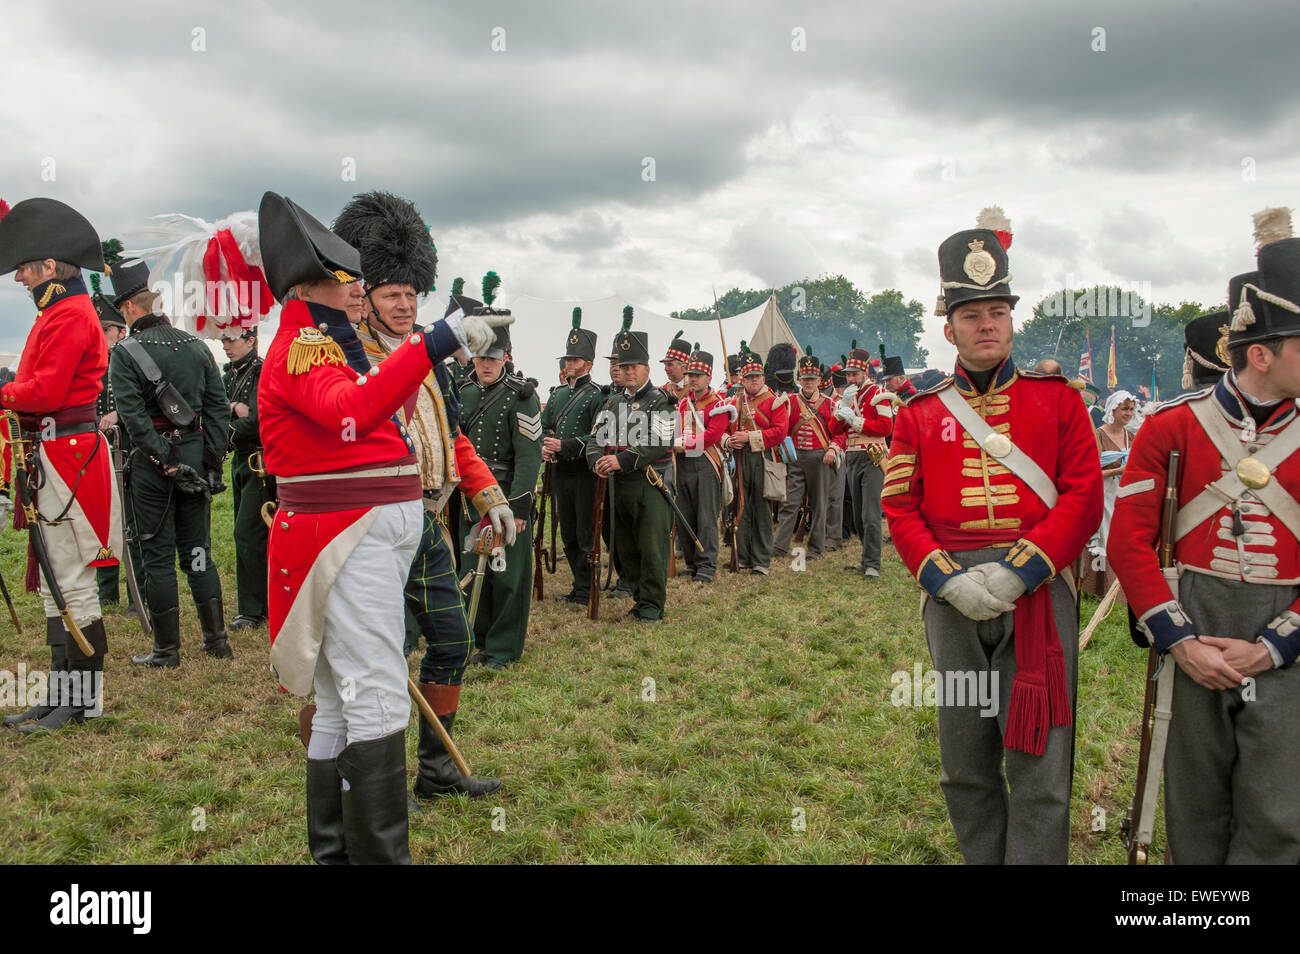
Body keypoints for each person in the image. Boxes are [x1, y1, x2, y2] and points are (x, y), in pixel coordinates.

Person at [257, 192, 508, 864]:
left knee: (346, 703)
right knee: (372, 698)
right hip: (350, 535)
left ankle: (341, 853)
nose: (361, 297)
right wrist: (438, 340)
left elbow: (431, 429)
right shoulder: (307, 347)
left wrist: (484, 490)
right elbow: (358, 411)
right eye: (354, 284)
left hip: (374, 530)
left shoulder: (330, 343)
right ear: (322, 286)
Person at [881, 218, 1102, 864]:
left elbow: (1084, 497)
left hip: (1036, 590)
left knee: (1040, 763)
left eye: (997, 311)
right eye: (971, 314)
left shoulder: (1058, 402)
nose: (987, 325)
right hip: (952, 597)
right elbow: (900, 506)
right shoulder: (919, 414)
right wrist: (942, 578)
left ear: (1012, 320)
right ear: (947, 328)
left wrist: (1022, 569)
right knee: (965, 758)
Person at [1108, 208, 1300, 864]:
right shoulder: (1170, 429)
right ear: (1261, 353)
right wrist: (1180, 641)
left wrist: (1275, 647)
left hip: (1286, 637)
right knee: (1193, 809)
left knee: (1278, 814)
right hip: (1192, 616)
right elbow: (1128, 543)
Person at [334, 192, 507, 799]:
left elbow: (451, 435)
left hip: (429, 520)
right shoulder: (351, 359)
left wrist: (490, 495)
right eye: (390, 294)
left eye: (412, 294)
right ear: (367, 298)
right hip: (374, 524)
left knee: (453, 640)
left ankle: (433, 773)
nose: (405, 304)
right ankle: (359, 782)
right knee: (378, 658)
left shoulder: (424, 359)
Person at [0, 198, 119, 732]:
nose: (20, 276)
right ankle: (61, 695)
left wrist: (3, 390)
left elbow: (44, 392)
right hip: (55, 454)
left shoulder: (70, 315)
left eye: (26, 266)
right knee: (56, 580)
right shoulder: (60, 312)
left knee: (70, 579)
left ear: (50, 267)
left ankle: (80, 700)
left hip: (68, 456)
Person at [108, 256, 232, 666]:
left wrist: (165, 461)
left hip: (152, 465)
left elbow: (133, 418)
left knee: (157, 556)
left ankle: (167, 650)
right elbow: (218, 412)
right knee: (197, 551)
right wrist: (210, 463)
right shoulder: (198, 347)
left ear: (128, 308)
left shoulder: (126, 352)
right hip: (196, 457)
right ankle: (216, 641)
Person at [455, 276, 542, 668]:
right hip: (470, 496)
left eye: (493, 358)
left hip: (506, 493)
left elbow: (529, 456)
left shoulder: (521, 396)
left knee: (507, 574)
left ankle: (504, 649)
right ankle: (480, 640)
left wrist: (520, 508)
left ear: (505, 357)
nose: (485, 365)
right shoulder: (464, 392)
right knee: (474, 568)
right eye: (480, 358)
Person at [586, 307, 675, 620]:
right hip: (618, 485)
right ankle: (640, 598)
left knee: (651, 548)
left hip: (651, 483)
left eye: (634, 366)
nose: (628, 371)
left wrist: (620, 460)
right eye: (623, 366)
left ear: (647, 367)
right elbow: (595, 436)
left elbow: (658, 440)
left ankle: (652, 605)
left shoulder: (662, 400)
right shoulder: (613, 401)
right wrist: (597, 459)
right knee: (624, 548)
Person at [540, 307, 604, 605]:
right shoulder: (557, 394)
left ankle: (587, 585)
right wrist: (543, 444)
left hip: (584, 472)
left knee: (584, 531)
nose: (569, 364)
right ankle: (578, 586)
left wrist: (563, 446)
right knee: (566, 530)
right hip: (561, 473)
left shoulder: (597, 395)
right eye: (567, 359)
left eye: (575, 359)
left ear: (588, 363)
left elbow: (599, 436)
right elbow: (545, 426)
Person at [221, 327, 273, 630]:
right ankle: (259, 605)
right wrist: (231, 411)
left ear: (251, 340)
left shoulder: (261, 372)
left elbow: (257, 421)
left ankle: (252, 611)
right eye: (224, 340)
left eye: (231, 339)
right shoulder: (230, 374)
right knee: (248, 534)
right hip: (240, 460)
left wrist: (228, 423)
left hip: (260, 462)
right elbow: (216, 413)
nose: (226, 346)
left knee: (248, 534)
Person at [725, 342, 791, 575]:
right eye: (749, 377)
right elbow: (728, 426)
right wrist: (731, 439)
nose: (753, 381)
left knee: (762, 510)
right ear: (742, 379)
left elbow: (779, 432)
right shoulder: (736, 401)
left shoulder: (774, 401)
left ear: (763, 377)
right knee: (742, 506)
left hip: (763, 458)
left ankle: (761, 559)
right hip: (741, 458)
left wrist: (749, 437)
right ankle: (742, 556)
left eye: (757, 377)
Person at [673, 348, 734, 582]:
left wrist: (683, 443)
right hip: (683, 463)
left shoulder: (719, 405)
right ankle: (691, 562)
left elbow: (712, 436)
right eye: (690, 374)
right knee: (685, 515)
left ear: (708, 377)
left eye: (698, 375)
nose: (693, 379)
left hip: (706, 463)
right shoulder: (682, 404)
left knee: (706, 517)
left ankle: (706, 565)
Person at [833, 343, 892, 579]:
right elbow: (834, 428)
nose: (850, 378)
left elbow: (886, 427)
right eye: (848, 374)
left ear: (865, 373)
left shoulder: (878, 394)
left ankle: (873, 564)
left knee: (870, 514)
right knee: (858, 515)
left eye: (854, 374)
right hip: (852, 455)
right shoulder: (845, 396)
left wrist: (856, 422)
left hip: (873, 454)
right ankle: (865, 559)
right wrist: (843, 408)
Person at [774, 351, 840, 560]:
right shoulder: (790, 402)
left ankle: (815, 549)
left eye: (812, 379)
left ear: (819, 380)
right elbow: (783, 430)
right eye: (805, 379)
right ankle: (779, 547)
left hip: (821, 457)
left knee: (820, 505)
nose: (809, 382)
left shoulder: (830, 404)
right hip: (795, 458)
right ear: (799, 380)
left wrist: (832, 449)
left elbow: (840, 433)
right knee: (790, 503)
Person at [92, 286, 132, 608]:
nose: (100, 335)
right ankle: (107, 593)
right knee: (104, 522)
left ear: (121, 330)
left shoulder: (133, 357)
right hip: (97, 453)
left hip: (130, 452)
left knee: (132, 523)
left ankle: (137, 592)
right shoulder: (91, 363)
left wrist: (119, 413)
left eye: (105, 329)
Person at [1081, 390, 1135, 597]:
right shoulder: (1099, 434)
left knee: (1121, 537)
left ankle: (1120, 588)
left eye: (1131, 410)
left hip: (1124, 495)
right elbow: (1090, 470)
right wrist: (1119, 470)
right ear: (1113, 409)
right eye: (1125, 409)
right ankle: (1097, 587)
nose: (1129, 413)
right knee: (1104, 536)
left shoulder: (1131, 437)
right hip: (1103, 494)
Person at [660, 331, 691, 402]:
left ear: (683, 367)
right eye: (665, 364)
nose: (665, 369)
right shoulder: (662, 391)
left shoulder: (695, 392)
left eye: (670, 364)